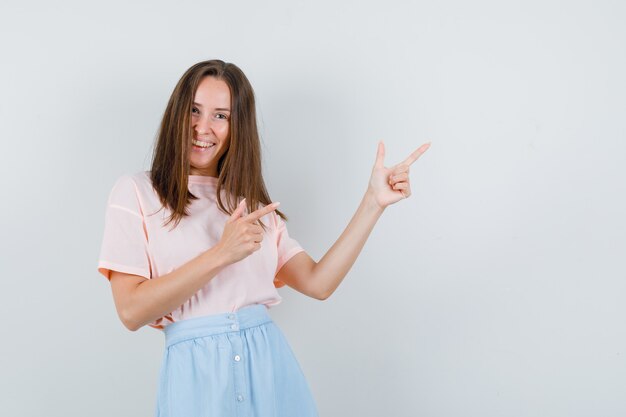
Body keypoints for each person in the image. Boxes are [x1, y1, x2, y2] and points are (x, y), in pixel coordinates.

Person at [96, 59, 430, 417]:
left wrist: (373, 203)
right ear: (177, 112)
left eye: (220, 116)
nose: (202, 127)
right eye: (194, 110)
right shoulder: (136, 192)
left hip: (271, 372)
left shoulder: (252, 208)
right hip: (196, 381)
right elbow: (130, 311)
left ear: (237, 127)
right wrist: (222, 253)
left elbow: (319, 283)